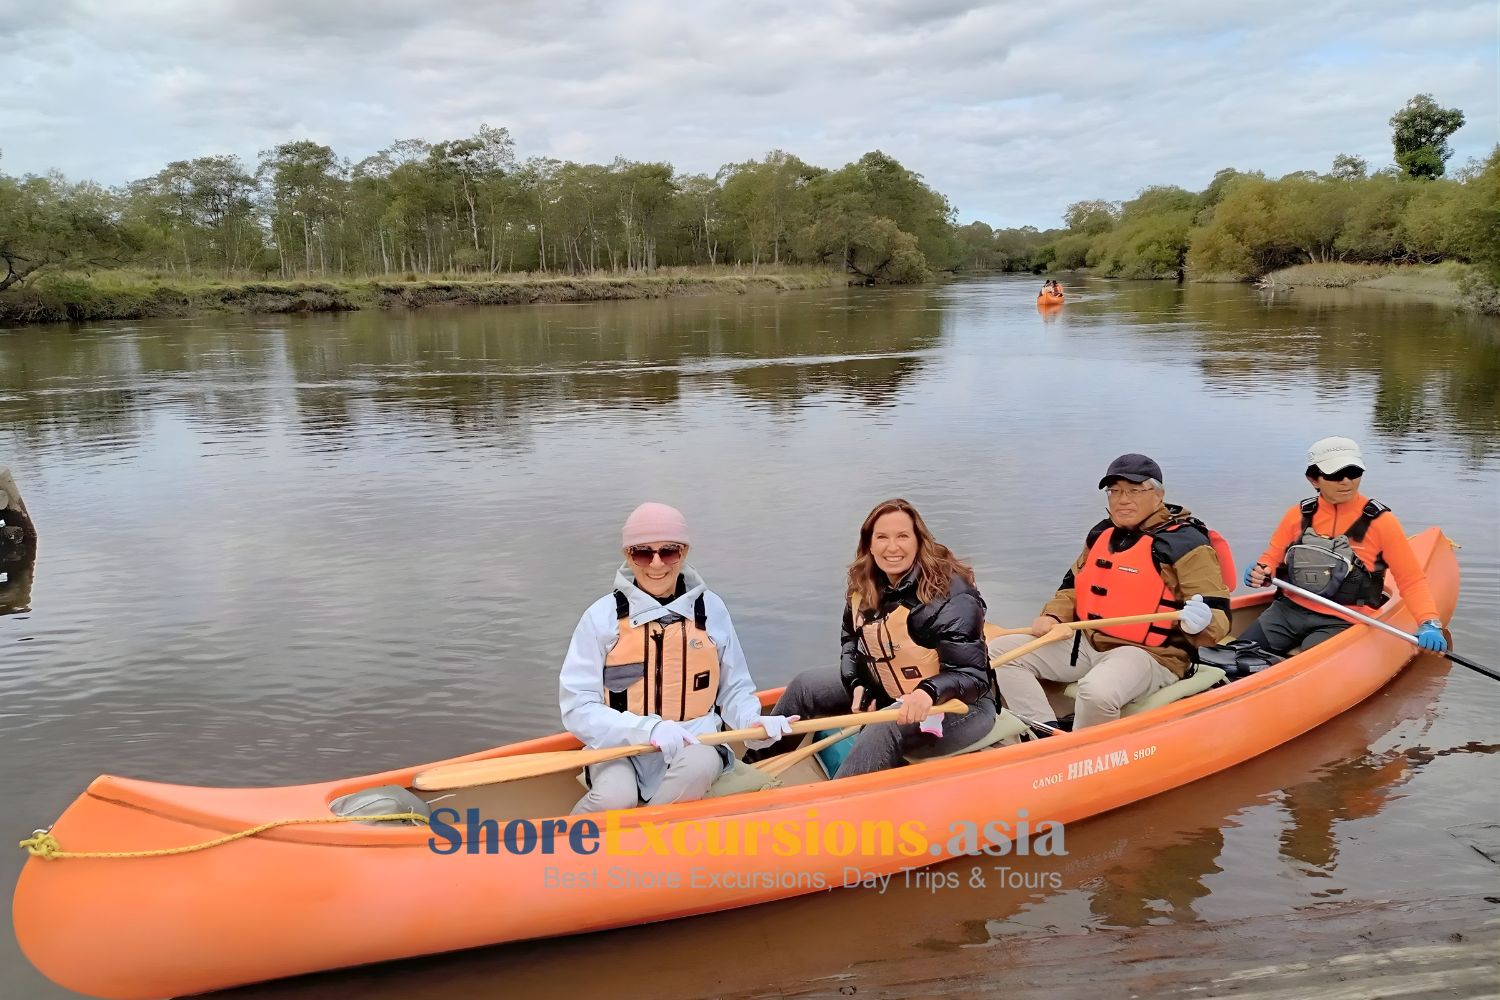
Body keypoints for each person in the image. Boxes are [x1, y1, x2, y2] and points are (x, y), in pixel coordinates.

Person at [559, 502, 796, 814]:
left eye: (668, 551)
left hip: (696, 743)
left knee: (696, 768)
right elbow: (578, 707)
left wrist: (753, 721)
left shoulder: (712, 610)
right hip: (621, 745)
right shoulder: (600, 617)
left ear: (684, 552)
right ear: (628, 555)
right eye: (642, 552)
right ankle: (570, 850)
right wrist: (650, 730)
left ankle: (640, 842)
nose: (656, 564)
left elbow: (734, 689)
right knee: (614, 797)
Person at [744, 498, 998, 776]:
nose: (892, 547)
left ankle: (838, 804)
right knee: (806, 685)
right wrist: (857, 682)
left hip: (959, 707)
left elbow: (972, 675)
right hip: (891, 689)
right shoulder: (866, 584)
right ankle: (751, 774)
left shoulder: (950, 595)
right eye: (882, 537)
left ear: (918, 541)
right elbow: (851, 643)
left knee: (884, 726)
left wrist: (928, 692)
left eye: (902, 536)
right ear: (869, 544)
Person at [990, 454, 1232, 731]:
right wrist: (1053, 616)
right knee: (1001, 654)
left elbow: (1218, 619)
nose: (1122, 499)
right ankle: (1044, 731)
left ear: (1158, 495)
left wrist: (1202, 622)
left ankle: (1085, 754)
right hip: (1088, 641)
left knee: (1097, 691)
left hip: (1152, 653)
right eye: (1114, 491)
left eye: (1133, 490)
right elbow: (1072, 586)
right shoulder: (1102, 534)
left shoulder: (1186, 543)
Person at [1241, 436, 1447, 655]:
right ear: (1314, 479)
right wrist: (1261, 570)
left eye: (1354, 472)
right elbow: (1272, 557)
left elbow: (1411, 579)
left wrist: (1429, 622)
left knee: (1308, 662)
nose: (1346, 481)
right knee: (1237, 652)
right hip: (1288, 610)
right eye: (1336, 475)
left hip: (1345, 618)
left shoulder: (1382, 522)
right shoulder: (1297, 515)